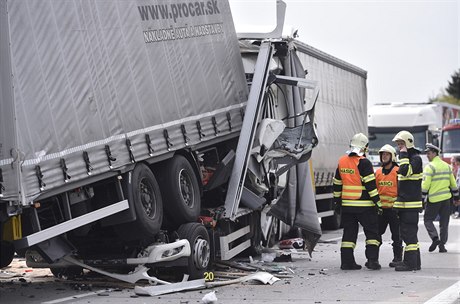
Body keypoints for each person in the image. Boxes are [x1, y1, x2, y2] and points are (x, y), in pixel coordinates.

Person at [333, 133, 382, 270]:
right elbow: (370, 185)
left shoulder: (342, 161)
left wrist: (337, 202)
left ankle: (347, 262)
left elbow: (337, 183)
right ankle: (372, 261)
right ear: (365, 147)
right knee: (372, 233)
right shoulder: (364, 162)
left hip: (347, 206)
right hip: (365, 206)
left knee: (349, 234)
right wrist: (378, 203)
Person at [392, 130, 423, 271]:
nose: (399, 146)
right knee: (408, 234)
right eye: (398, 144)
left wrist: (403, 154)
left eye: (401, 143)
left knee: (409, 235)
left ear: (408, 143)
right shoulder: (410, 157)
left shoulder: (415, 158)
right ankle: (415, 262)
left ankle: (410, 264)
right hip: (405, 204)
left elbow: (404, 171)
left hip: (410, 205)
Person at [422, 143, 459, 253]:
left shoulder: (430, 167)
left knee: (427, 220)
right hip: (446, 200)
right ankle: (442, 246)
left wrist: (421, 199)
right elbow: (453, 184)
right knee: (444, 223)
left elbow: (425, 185)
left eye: (428, 153)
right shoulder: (447, 166)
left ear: (434, 153)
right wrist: (456, 197)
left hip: (434, 200)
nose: (427, 156)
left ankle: (435, 238)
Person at [375, 144, 402, 267]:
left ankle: (397, 259)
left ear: (392, 156)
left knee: (396, 235)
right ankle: (373, 259)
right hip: (381, 210)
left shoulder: (398, 171)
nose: (384, 157)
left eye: (387, 154)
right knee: (375, 234)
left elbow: (402, 191)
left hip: (394, 210)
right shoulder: (378, 172)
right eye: (383, 155)